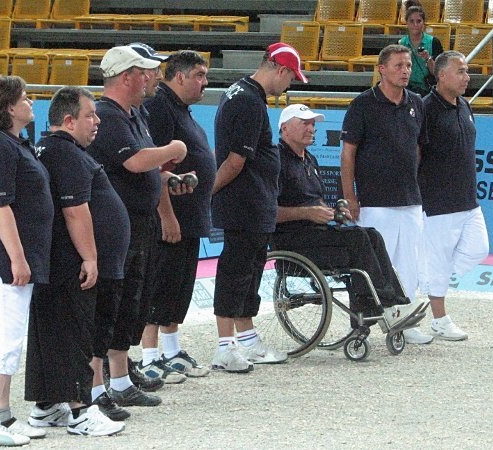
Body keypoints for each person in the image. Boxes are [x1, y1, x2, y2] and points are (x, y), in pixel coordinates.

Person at [24, 87, 128, 435]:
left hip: (57, 261)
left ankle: (47, 406)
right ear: (68, 121)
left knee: (52, 333)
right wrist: (91, 257)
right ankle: (81, 411)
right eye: (90, 115)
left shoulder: (55, 150)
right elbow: (74, 211)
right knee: (75, 334)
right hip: (70, 263)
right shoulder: (65, 154)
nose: (97, 121)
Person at [87, 46, 187, 407]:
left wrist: (168, 178)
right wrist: (172, 148)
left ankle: (120, 378)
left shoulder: (134, 115)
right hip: (116, 227)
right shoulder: (108, 116)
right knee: (112, 303)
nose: (153, 78)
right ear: (127, 76)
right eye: (146, 72)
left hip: (136, 223)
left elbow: (144, 166)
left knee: (132, 302)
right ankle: (97, 386)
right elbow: (134, 161)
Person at [274, 104, 427, 328]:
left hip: (316, 234)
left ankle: (394, 305)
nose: (311, 128)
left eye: (313, 124)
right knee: (358, 239)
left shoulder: (310, 160)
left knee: (371, 235)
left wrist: (334, 212)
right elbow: (268, 211)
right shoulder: (275, 161)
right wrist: (308, 213)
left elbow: (315, 204)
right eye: (304, 123)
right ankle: (386, 307)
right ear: (285, 129)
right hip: (291, 241)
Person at [0, 75, 54, 446]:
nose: (31, 101)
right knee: (1, 339)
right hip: (0, 259)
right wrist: (17, 259)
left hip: (16, 257)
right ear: (7, 107)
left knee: (11, 338)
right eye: (25, 96)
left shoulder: (15, 144)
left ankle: (2, 414)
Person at [211, 42, 307, 373]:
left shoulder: (242, 93)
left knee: (248, 272)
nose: (289, 86)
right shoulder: (249, 101)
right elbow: (236, 160)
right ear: (279, 70)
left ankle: (247, 340)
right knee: (236, 273)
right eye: (291, 78)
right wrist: (209, 190)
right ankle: (225, 346)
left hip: (252, 202)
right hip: (244, 203)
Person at [340, 44, 433, 345]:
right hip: (374, 202)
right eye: (399, 65)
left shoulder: (416, 103)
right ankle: (363, 323)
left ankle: (405, 320)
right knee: (374, 264)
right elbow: (347, 154)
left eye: (408, 65)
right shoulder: (362, 105)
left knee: (409, 263)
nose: (405, 70)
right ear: (382, 69)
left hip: (410, 199)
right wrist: (350, 196)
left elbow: (418, 147)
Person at [137, 50, 216, 379]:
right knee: (159, 284)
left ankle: (171, 350)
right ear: (179, 76)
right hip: (170, 217)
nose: (204, 82)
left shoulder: (182, 109)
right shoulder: (159, 106)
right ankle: (149, 357)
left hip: (189, 215)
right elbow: (154, 166)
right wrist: (166, 216)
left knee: (178, 287)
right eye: (199, 75)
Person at [419, 51, 489, 340]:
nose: (467, 77)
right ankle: (439, 318)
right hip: (438, 202)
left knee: (479, 248)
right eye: (460, 71)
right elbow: (416, 155)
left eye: (467, 71)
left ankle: (429, 277)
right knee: (438, 262)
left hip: (468, 199)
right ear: (442, 75)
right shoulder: (425, 109)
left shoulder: (464, 105)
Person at [399, 0, 444, 96]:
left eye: (418, 21)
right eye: (411, 21)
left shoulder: (434, 42)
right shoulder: (400, 44)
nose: (415, 25)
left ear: (424, 23)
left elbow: (438, 74)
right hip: (406, 90)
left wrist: (428, 59)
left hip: (428, 90)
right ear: (406, 23)